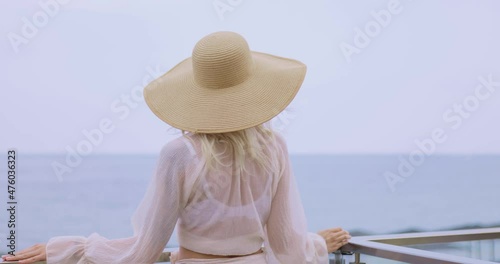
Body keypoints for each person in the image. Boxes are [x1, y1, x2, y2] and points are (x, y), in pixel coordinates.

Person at [2, 31, 350, 264]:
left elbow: (144, 250)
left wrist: (65, 250)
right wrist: (317, 244)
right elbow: (287, 245)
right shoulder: (275, 148)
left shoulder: (181, 154)